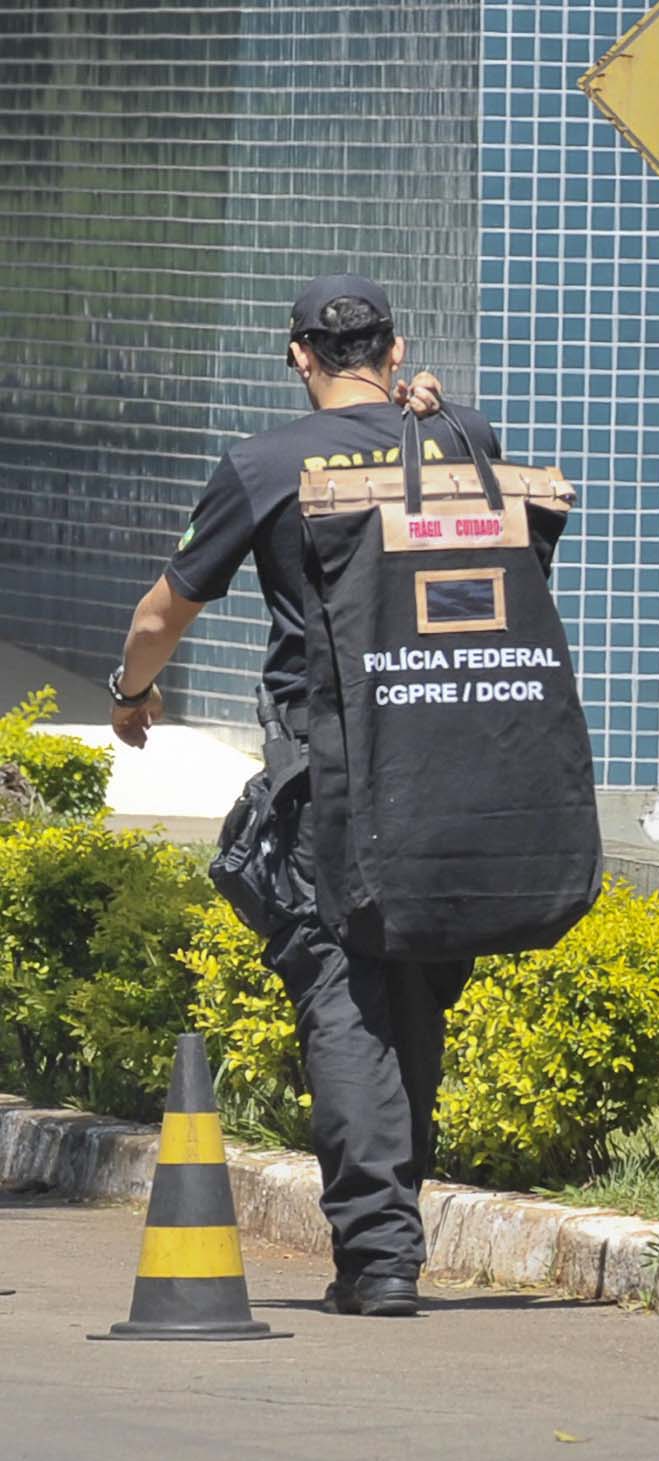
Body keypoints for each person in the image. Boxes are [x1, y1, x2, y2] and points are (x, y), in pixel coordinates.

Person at [111, 274, 486, 1317]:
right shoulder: (460, 438)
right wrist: (437, 416)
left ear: (298, 357)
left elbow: (160, 612)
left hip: (332, 769)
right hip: (449, 762)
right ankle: (390, 1231)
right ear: (397, 348)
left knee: (340, 988)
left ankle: (378, 1257)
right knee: (410, 990)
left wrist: (130, 696)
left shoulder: (266, 465)